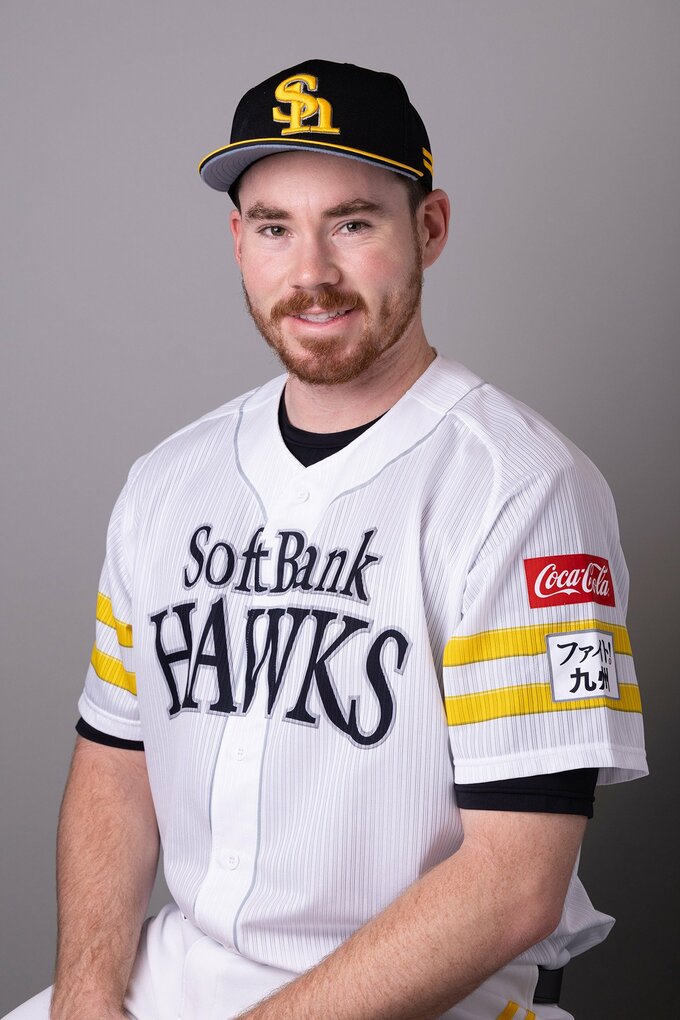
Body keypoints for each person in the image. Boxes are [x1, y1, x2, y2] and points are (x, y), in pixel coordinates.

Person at [6, 59, 647, 1020]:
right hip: (179, 969)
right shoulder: (168, 480)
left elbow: (516, 885)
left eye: (352, 223)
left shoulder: (523, 490)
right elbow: (115, 762)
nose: (310, 273)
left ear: (429, 228)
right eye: (275, 228)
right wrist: (87, 997)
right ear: (238, 242)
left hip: (433, 999)